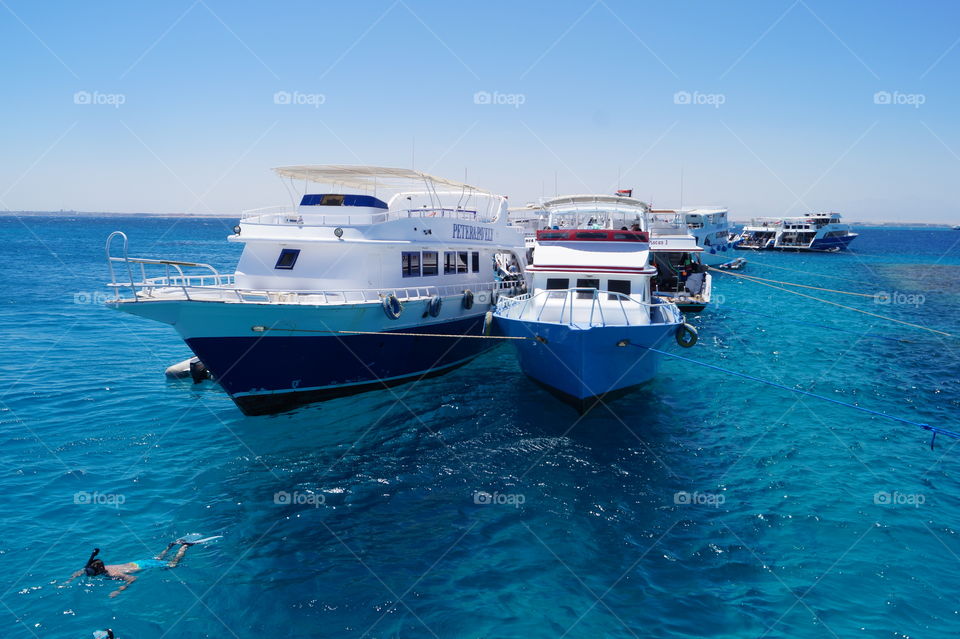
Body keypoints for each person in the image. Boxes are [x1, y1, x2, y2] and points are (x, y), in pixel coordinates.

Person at [66, 542, 193, 598]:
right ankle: (169, 547)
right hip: (136, 563)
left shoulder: (113, 573)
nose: (88, 574)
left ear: (98, 571)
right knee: (157, 559)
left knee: (172, 565)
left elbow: (133, 578)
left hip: (142, 566)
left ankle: (184, 547)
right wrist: (70, 580)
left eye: (91, 572)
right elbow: (82, 571)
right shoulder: (99, 568)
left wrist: (119, 590)